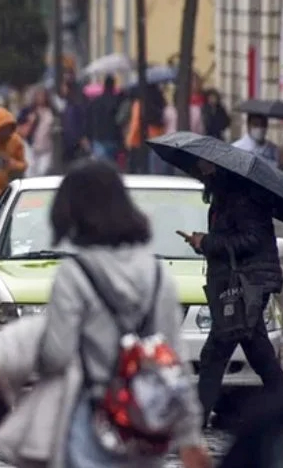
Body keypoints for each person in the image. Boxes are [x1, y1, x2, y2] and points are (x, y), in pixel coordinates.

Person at [36, 159, 209, 468]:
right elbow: (176, 361)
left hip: (89, 423)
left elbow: (56, 355)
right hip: (144, 423)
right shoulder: (157, 273)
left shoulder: (73, 274)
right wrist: (190, 438)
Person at [178, 160, 283, 427]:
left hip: (247, 285)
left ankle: (195, 423)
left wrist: (208, 242)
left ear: (218, 170)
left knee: (215, 353)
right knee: (259, 352)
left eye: (204, 168)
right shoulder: (224, 197)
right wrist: (201, 243)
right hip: (238, 286)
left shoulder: (241, 198)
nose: (201, 173)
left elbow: (251, 240)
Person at [84, 74, 123, 162]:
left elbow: (89, 119)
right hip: (113, 137)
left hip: (99, 137)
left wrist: (88, 135)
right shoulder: (117, 101)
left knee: (101, 165)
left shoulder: (96, 101)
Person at [25, 88, 54, 176]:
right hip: (32, 147)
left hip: (46, 146)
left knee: (43, 171)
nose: (40, 98)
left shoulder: (50, 111)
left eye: (42, 96)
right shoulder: (31, 111)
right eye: (38, 96)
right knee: (31, 173)